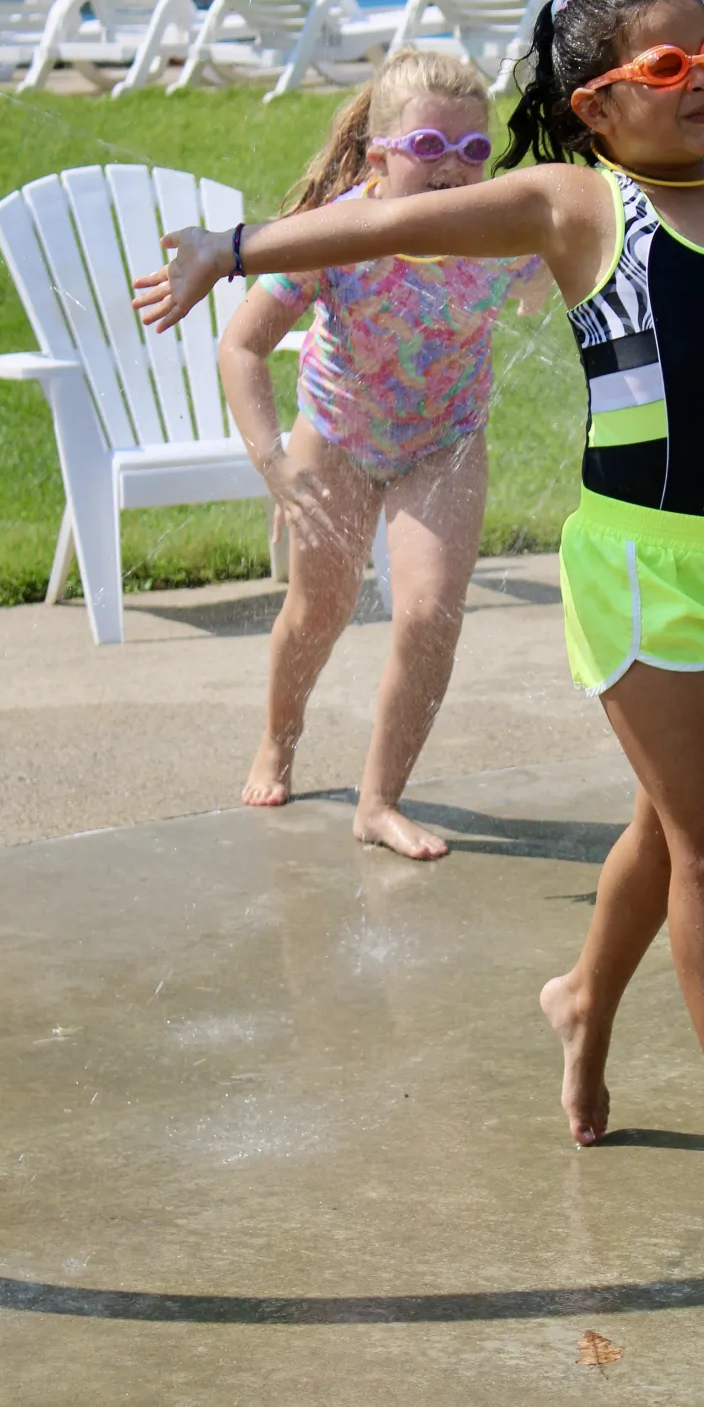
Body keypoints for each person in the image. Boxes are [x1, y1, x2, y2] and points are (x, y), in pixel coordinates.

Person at [133, 0, 704, 1225]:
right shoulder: (577, 206)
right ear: (593, 107)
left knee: (669, 825)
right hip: (637, 568)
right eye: (665, 71)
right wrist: (231, 250)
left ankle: (580, 999)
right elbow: (365, 230)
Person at [216, 49, 549, 861]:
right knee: (319, 611)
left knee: (430, 615)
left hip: (447, 440)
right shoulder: (339, 234)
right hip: (335, 436)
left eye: (474, 152)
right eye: (429, 148)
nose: (452, 169)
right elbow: (242, 346)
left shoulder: (501, 233)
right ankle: (278, 738)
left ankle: (379, 801)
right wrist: (273, 460)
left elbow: (562, 273)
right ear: (379, 157)